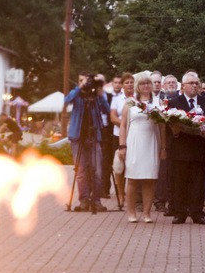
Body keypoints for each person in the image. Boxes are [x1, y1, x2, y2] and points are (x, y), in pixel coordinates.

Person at [166, 71, 205, 225]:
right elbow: (167, 126)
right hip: (180, 148)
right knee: (179, 182)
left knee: (198, 182)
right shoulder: (174, 103)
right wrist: (174, 132)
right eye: (191, 83)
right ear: (183, 86)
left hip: (199, 148)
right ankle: (180, 212)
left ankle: (197, 213)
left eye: (197, 83)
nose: (195, 86)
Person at [118, 71, 165, 222]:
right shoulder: (130, 103)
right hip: (134, 142)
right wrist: (122, 146)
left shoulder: (158, 103)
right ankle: (131, 212)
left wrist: (163, 148)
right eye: (142, 83)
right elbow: (123, 125)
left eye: (148, 83)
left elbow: (162, 127)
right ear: (137, 86)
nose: (145, 86)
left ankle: (146, 213)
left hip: (151, 142)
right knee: (132, 179)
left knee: (149, 179)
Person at [66, 71, 108, 213]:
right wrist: (80, 88)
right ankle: (83, 201)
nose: (85, 83)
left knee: (97, 170)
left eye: (87, 81)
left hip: (94, 136)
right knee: (81, 171)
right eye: (81, 80)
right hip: (78, 137)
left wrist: (100, 92)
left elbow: (107, 110)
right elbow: (66, 100)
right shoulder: (76, 94)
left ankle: (96, 201)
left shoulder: (96, 95)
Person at [109, 72, 133, 207]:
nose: (129, 85)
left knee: (132, 166)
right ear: (122, 85)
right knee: (119, 167)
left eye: (131, 82)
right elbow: (113, 118)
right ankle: (120, 194)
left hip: (134, 137)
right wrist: (125, 123)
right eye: (127, 82)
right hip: (118, 136)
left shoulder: (138, 99)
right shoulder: (117, 99)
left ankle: (132, 195)